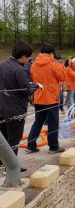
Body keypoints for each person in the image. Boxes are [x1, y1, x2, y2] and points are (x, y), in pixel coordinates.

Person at [0, 41, 41, 171]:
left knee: (3, 138)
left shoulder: (2, 65)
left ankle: (2, 163)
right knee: (14, 139)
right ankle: (11, 168)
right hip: (15, 110)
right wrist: (36, 86)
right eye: (28, 57)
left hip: (1, 108)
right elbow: (26, 90)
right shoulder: (19, 69)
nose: (28, 59)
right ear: (23, 56)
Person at [27, 43, 66, 154]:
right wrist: (61, 65)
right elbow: (63, 77)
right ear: (51, 54)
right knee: (53, 123)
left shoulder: (33, 64)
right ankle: (53, 147)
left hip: (39, 97)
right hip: (51, 98)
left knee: (38, 122)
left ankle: (31, 145)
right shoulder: (54, 64)